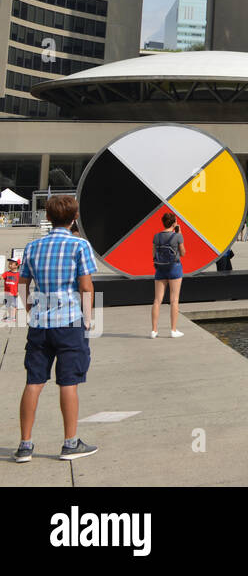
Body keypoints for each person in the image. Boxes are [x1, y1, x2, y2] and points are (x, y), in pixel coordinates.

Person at [14, 194, 97, 463]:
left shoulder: (33, 247)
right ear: (74, 218)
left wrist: (30, 310)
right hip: (69, 320)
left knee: (33, 382)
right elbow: (86, 286)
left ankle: (25, 445)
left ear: (47, 218)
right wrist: (87, 317)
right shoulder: (79, 246)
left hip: (40, 322)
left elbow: (23, 283)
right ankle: (70, 443)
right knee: (68, 382)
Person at [150, 212, 185, 339]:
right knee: (174, 299)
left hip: (160, 269)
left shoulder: (157, 236)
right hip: (174, 268)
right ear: (174, 223)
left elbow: (154, 254)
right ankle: (173, 330)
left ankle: (154, 331)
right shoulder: (177, 237)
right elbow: (183, 253)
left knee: (157, 300)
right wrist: (179, 234)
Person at [3, 254, 19, 323]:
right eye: (9, 264)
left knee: (13, 305)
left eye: (11, 264)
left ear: (16, 265)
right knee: (8, 305)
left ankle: (13, 318)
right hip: (7, 292)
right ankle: (10, 316)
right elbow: (1, 277)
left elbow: (20, 283)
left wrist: (18, 291)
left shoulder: (19, 274)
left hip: (13, 292)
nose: (9, 265)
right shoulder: (7, 273)